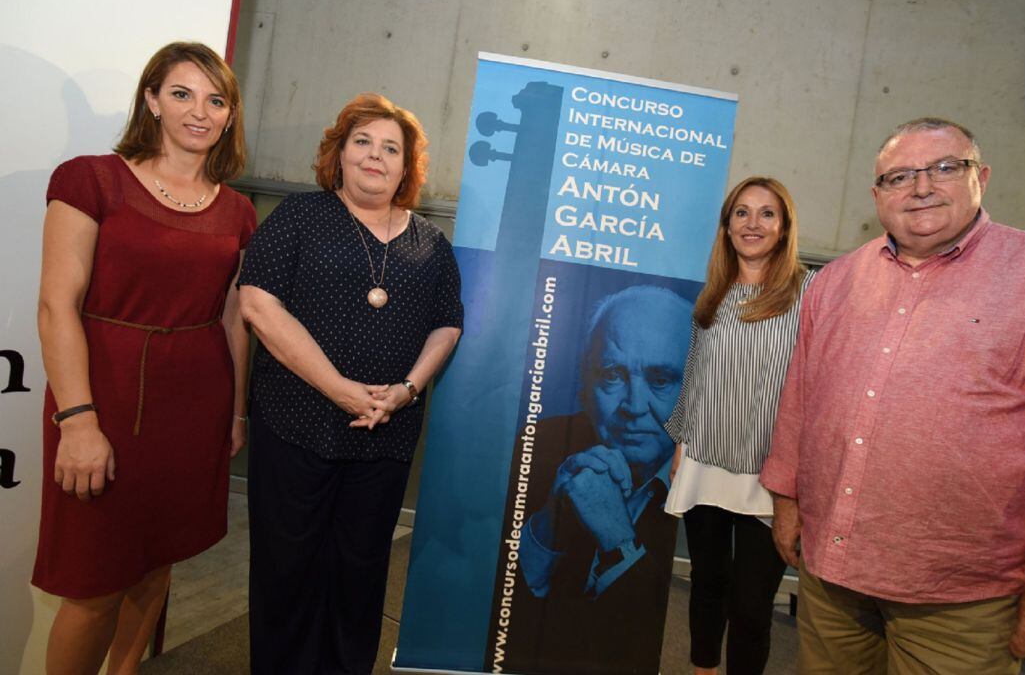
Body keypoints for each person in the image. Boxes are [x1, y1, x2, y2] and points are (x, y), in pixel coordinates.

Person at [761, 117, 1025, 674]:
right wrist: (786, 502)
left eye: (944, 168)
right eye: (899, 176)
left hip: (962, 598)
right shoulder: (834, 281)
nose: (922, 187)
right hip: (832, 576)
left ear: (980, 177)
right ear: (877, 195)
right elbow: (800, 405)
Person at [32, 42, 254, 675]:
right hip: (101, 396)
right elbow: (56, 305)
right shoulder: (90, 178)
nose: (199, 112)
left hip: (193, 406)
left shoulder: (237, 210)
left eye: (216, 100)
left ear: (230, 116)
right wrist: (77, 422)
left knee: (157, 563)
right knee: (95, 584)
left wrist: (235, 415)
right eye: (182, 94)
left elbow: (235, 318)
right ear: (152, 100)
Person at [238, 93, 463, 674]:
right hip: (295, 425)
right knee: (286, 569)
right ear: (338, 154)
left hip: (384, 436)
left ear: (406, 168)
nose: (375, 156)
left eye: (391, 148)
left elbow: (448, 323)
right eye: (362, 142)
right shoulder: (298, 217)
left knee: (360, 574)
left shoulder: (431, 244)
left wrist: (408, 389)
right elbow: (258, 304)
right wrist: (338, 387)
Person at [665, 177, 813, 675]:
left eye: (767, 213)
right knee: (707, 583)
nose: (753, 224)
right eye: (741, 213)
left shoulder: (811, 293)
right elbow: (695, 370)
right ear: (726, 228)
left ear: (784, 226)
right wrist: (681, 441)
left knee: (752, 605)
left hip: (771, 474)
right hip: (705, 461)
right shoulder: (714, 294)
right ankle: (702, 668)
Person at [507, 285, 691, 675]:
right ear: (585, 385)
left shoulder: (711, 474)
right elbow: (493, 611)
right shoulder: (537, 446)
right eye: (612, 375)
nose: (634, 406)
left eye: (660, 380)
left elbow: (641, 639)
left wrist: (619, 543)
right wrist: (547, 526)